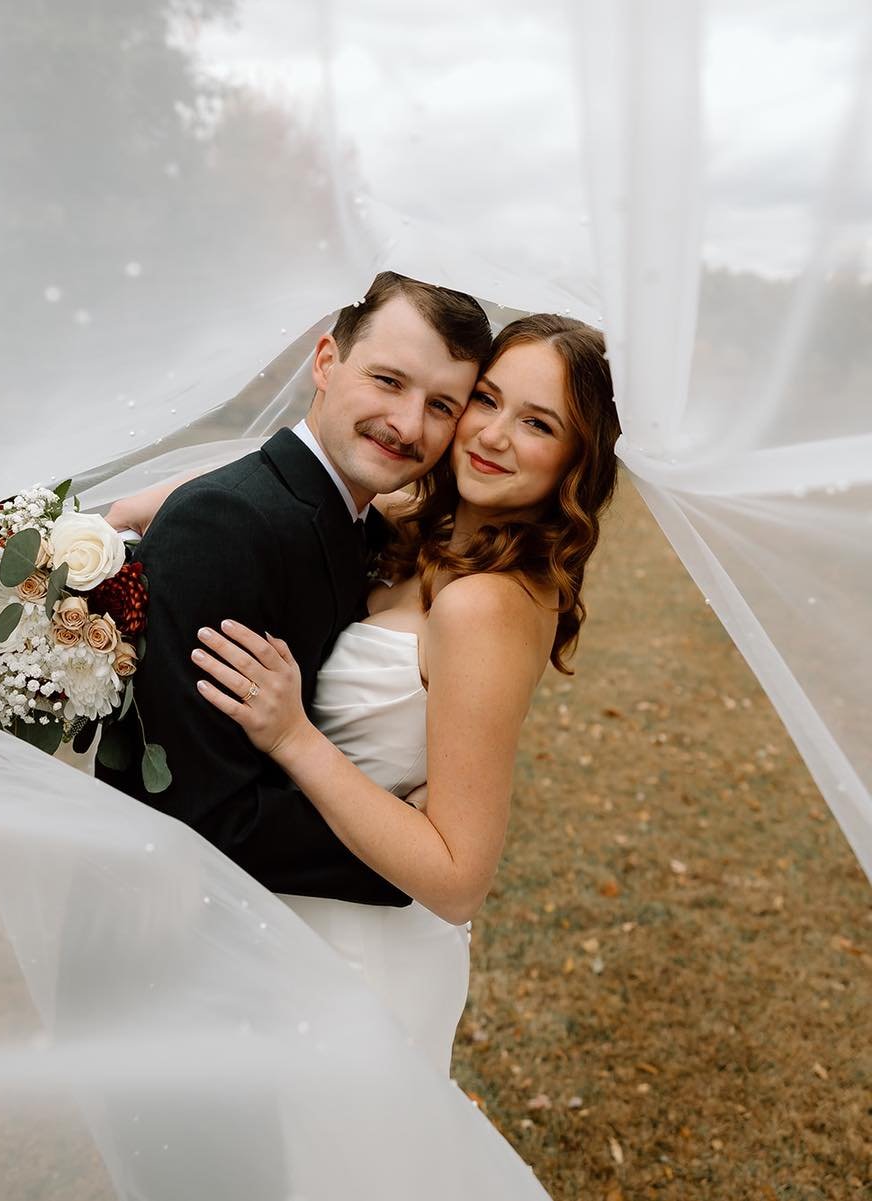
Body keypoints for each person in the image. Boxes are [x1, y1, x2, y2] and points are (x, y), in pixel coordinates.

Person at [112, 311, 620, 1075]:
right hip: (289, 911)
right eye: (485, 399)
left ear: (573, 464)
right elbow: (292, 480)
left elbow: (458, 878)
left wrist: (294, 739)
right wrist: (118, 518)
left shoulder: (486, 603)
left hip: (362, 955)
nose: (492, 435)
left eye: (538, 424)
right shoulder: (417, 533)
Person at [97, 272, 492, 913]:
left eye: (442, 406)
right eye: (388, 381)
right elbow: (199, 809)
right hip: (176, 932)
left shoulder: (359, 522)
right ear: (327, 361)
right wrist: (414, 856)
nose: (407, 424)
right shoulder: (224, 526)